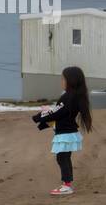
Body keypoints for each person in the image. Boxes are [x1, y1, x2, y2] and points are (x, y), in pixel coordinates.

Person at [31, 65, 94, 196]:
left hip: (65, 133)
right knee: (63, 157)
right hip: (67, 132)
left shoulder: (68, 97)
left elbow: (55, 113)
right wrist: (46, 114)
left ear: (71, 81)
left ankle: (66, 185)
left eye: (63, 79)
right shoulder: (75, 96)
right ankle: (66, 184)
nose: (62, 82)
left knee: (62, 158)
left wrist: (37, 117)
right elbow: (58, 113)